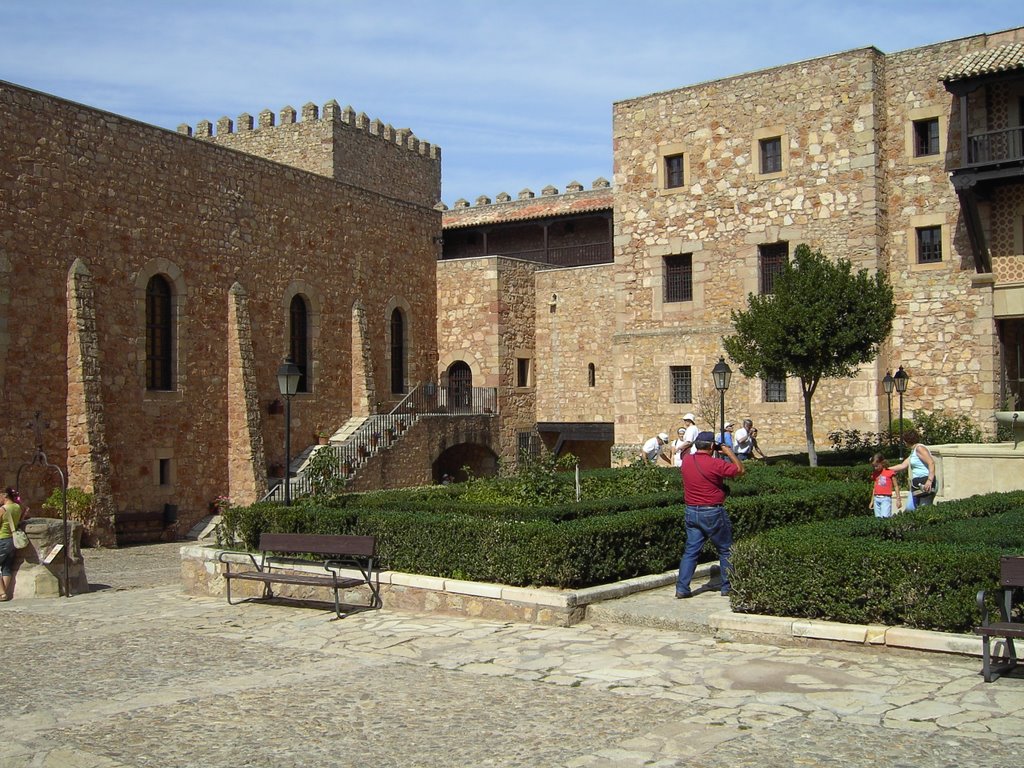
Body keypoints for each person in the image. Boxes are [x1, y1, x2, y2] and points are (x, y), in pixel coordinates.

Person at [676, 431, 744, 598]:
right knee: (725, 550)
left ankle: (682, 588)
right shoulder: (715, 464)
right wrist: (729, 453)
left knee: (691, 551)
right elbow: (740, 470)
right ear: (712, 446)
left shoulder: (686, 461)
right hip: (712, 511)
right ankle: (727, 587)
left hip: (691, 510)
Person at [889, 439, 937, 507]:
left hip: (926, 482)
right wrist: (886, 469)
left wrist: (929, 480)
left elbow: (931, 462)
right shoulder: (913, 451)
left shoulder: (919, 448)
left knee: (924, 508)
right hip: (917, 483)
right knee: (910, 508)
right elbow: (903, 465)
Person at [0, 487, 24, 601]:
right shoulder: (17, 507)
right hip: (12, 540)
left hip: (2, 539)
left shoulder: (3, 509)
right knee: (6, 567)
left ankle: (2, 593)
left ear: (5, 496)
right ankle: (4, 594)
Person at [870, 453, 902, 518]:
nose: (875, 468)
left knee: (885, 517)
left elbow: (896, 486)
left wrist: (898, 499)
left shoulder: (889, 472)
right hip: (876, 498)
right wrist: (872, 501)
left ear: (882, 463)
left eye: (877, 466)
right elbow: (875, 487)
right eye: (874, 466)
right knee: (878, 519)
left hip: (885, 498)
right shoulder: (875, 474)